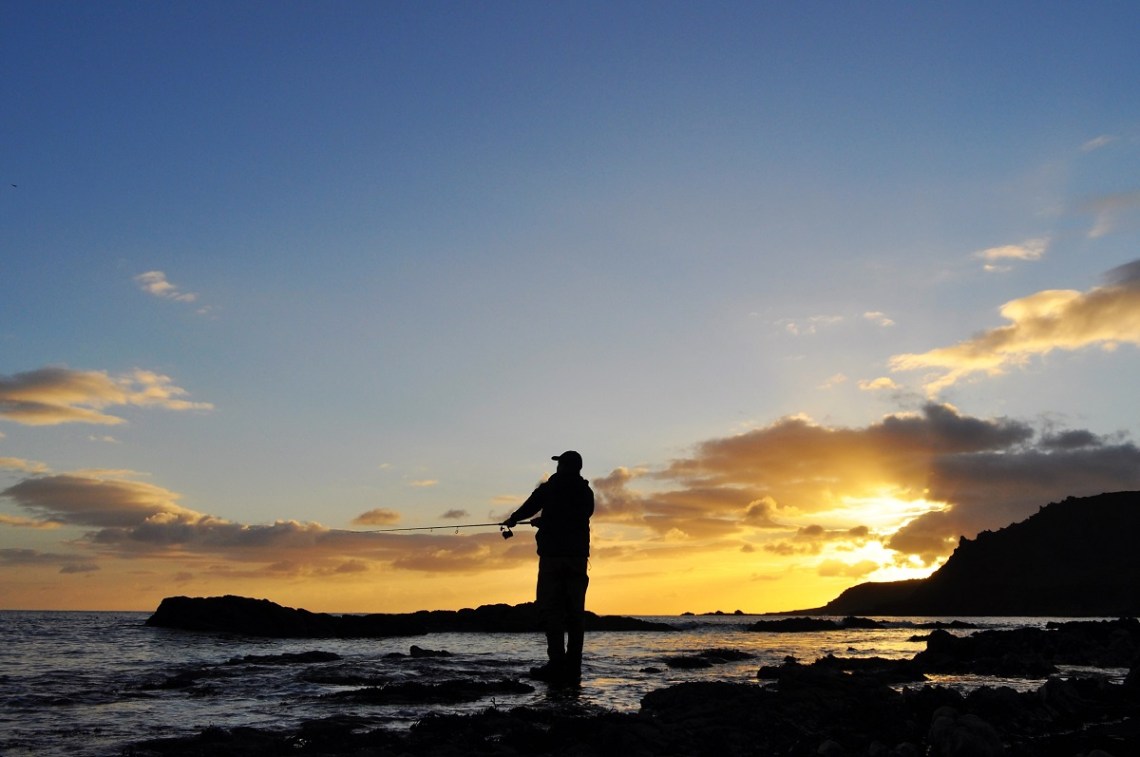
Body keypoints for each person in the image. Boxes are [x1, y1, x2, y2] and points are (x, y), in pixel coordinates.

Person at [504, 450, 594, 685]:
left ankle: (556, 664)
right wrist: (545, 520)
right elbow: (577, 516)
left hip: (552, 557)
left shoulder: (550, 487)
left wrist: (514, 518)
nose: (557, 467)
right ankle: (573, 667)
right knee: (575, 614)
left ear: (564, 466)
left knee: (552, 610)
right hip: (577, 559)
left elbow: (532, 505)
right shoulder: (586, 492)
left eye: (560, 463)